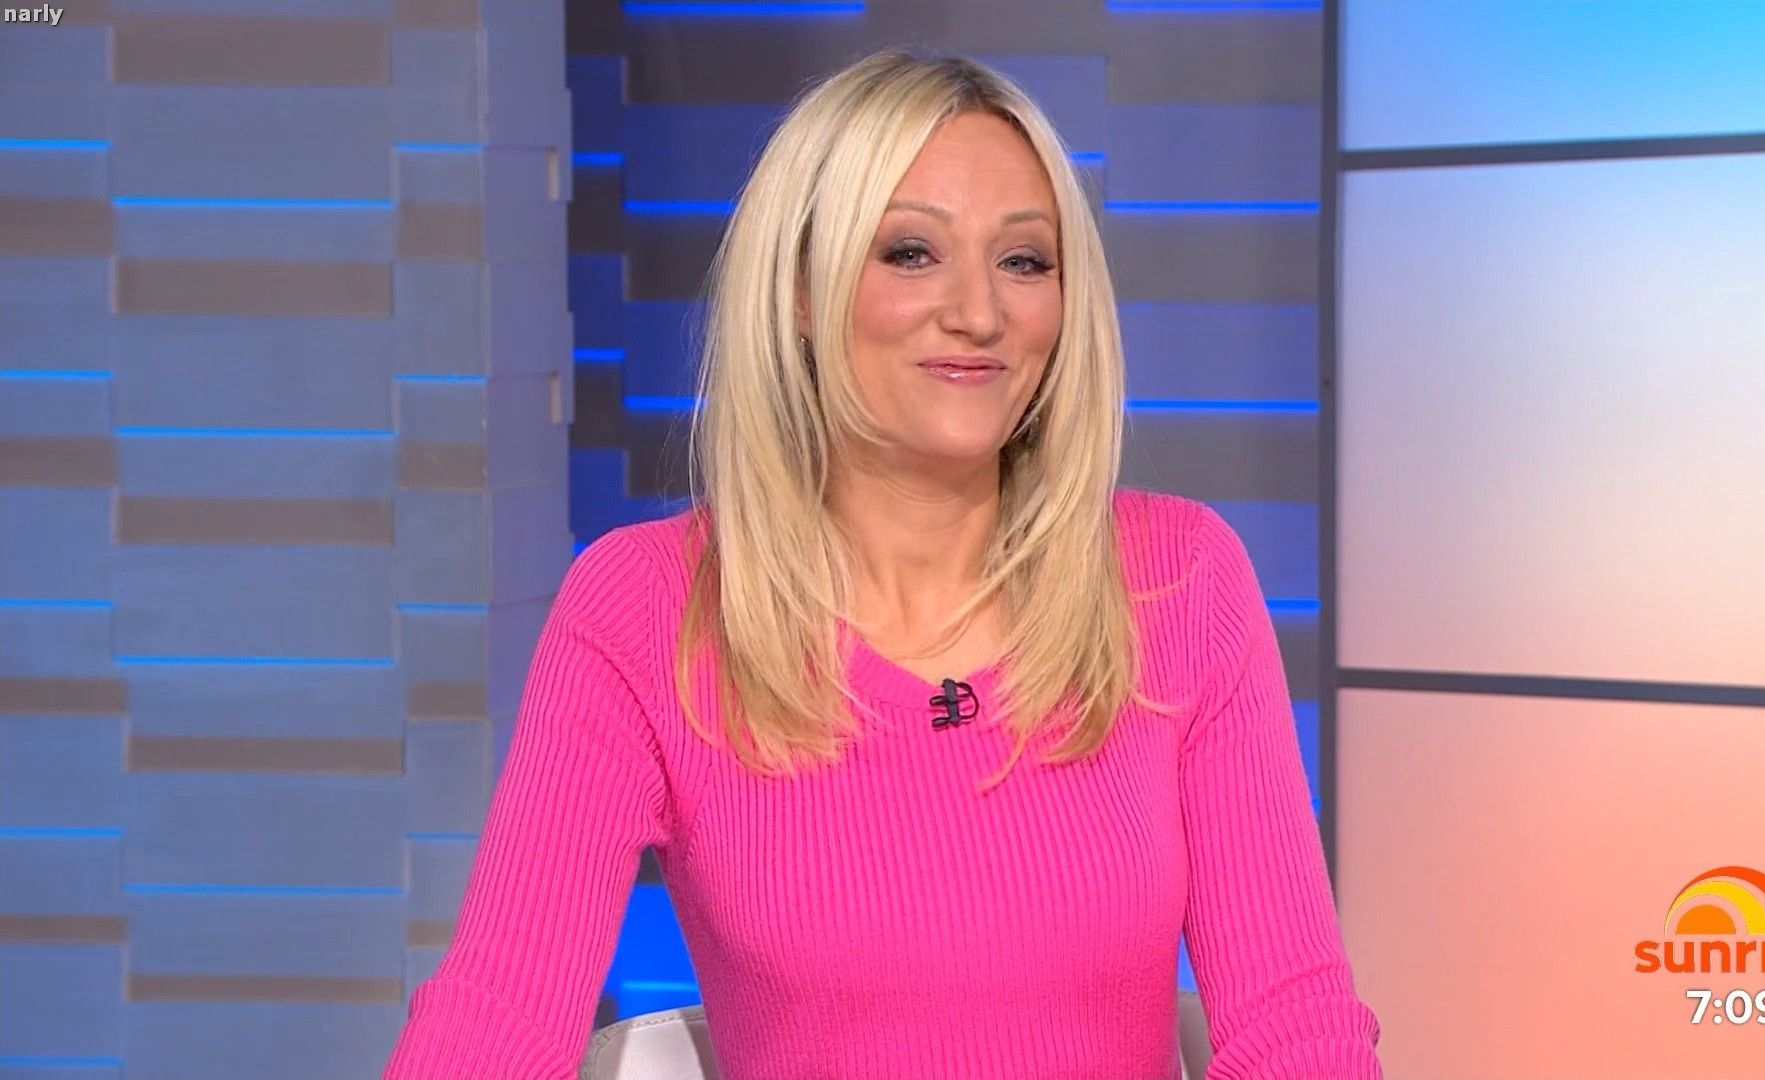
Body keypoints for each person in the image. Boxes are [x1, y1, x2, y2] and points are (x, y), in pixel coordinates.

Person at [382, 46, 1382, 1080]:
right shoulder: (648, 607)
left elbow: (1295, 1024)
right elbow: (496, 1021)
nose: (980, 313)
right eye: (911, 252)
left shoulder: (1180, 582)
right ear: (801, 290)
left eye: (1024, 261)